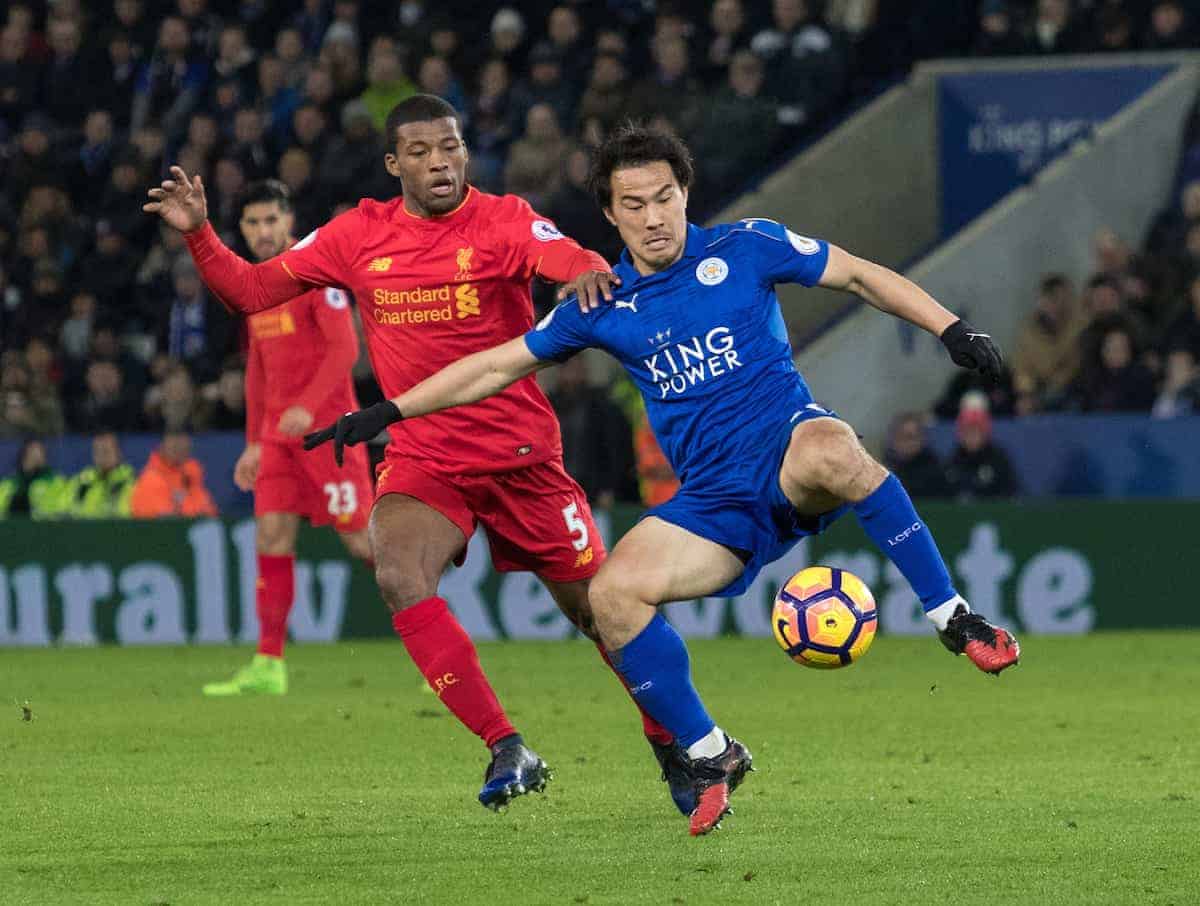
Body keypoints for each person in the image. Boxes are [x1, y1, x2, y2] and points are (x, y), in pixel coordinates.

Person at [308, 124, 1022, 836]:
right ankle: (713, 754)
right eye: (634, 204)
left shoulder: (748, 246)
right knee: (612, 598)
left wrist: (950, 328)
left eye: (664, 198)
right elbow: (496, 365)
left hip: (787, 449)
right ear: (612, 216)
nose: (654, 217)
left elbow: (862, 274)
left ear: (685, 195)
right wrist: (391, 408)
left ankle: (953, 616)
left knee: (835, 450)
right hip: (715, 502)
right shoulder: (602, 305)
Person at [144, 95, 672, 814]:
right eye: (421, 152)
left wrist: (581, 267)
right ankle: (506, 745)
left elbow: (558, 251)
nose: (440, 163)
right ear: (395, 164)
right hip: (427, 456)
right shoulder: (355, 235)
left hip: (520, 457)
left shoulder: (502, 217)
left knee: (601, 614)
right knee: (396, 570)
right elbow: (248, 289)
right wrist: (201, 234)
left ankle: (673, 740)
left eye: (450, 148)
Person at [201, 180, 374, 698]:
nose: (261, 232)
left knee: (362, 542)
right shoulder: (256, 289)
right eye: (251, 224)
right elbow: (258, 371)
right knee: (271, 539)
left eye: (269, 221)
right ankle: (268, 663)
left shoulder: (317, 275)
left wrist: (307, 405)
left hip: (330, 432)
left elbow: (345, 350)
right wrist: (254, 441)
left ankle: (440, 635)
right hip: (277, 439)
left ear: (288, 219)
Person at [129, 430, 219, 518]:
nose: (180, 445)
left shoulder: (193, 474)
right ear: (161, 445)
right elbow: (165, 523)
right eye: (174, 439)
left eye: (183, 438)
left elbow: (210, 513)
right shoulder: (151, 479)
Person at [943, 402, 1019, 500]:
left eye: (977, 431)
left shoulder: (998, 459)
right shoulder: (952, 460)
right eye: (967, 431)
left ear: (985, 433)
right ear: (960, 434)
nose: (972, 436)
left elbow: (1010, 493)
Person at [65, 431, 136, 518]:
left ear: (119, 453)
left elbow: (128, 514)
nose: (101, 456)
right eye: (97, 451)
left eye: (106, 451)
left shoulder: (132, 482)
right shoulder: (80, 481)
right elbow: (64, 511)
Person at [0, 438, 69, 519]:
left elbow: (62, 510)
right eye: (31, 454)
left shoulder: (56, 481)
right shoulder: (9, 483)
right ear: (23, 457)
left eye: (38, 454)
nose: (35, 458)